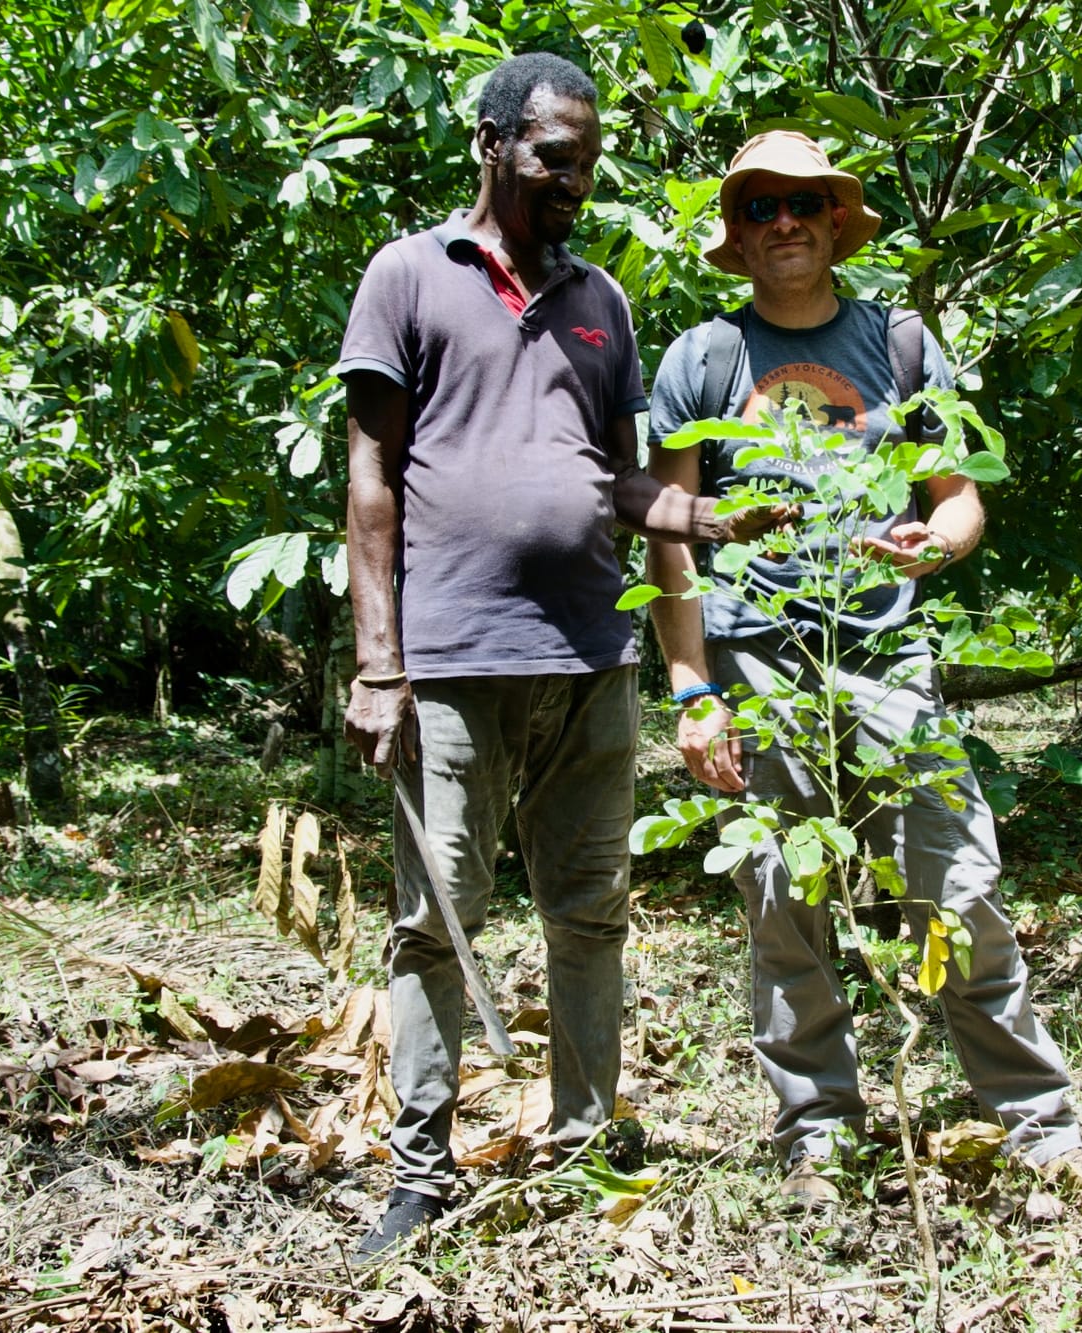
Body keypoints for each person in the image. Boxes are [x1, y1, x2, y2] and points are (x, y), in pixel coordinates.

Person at [336, 52, 760, 1257]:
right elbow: (370, 482)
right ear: (490, 144)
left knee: (589, 908)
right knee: (435, 917)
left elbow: (615, 477)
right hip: (452, 656)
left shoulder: (600, 302)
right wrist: (379, 665)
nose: (575, 179)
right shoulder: (410, 275)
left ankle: (581, 1140)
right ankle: (420, 1170)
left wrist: (699, 517)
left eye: (585, 158)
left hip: (589, 652)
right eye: (552, 157)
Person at [644, 131, 1081, 1207]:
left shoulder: (896, 341)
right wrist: (692, 688)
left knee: (958, 883)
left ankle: (1036, 1125)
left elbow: (958, 493)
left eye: (801, 202)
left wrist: (937, 543)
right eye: (757, 208)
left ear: (837, 220)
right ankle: (818, 1134)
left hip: (884, 651)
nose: (781, 222)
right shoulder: (702, 357)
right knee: (783, 900)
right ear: (735, 238)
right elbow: (667, 533)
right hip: (755, 658)